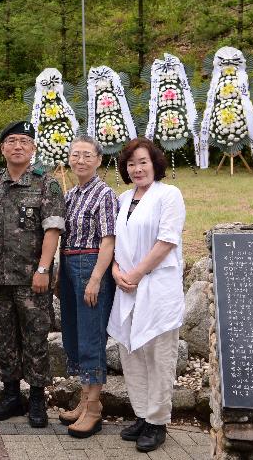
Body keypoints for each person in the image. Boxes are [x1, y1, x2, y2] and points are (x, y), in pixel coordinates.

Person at [0, 121, 65, 428]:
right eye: (11, 141)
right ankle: (10, 396)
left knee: (35, 340)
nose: (17, 146)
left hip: (33, 279)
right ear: (2, 148)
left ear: (33, 149)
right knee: (2, 339)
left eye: (24, 142)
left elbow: (53, 227)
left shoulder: (47, 183)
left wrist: (44, 268)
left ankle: (36, 399)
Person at [108, 137, 186, 453]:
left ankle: (157, 421)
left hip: (156, 288)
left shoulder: (169, 195)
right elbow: (115, 240)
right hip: (126, 287)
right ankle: (141, 414)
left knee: (159, 356)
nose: (137, 168)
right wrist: (116, 271)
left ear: (155, 163)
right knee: (132, 353)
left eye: (143, 162)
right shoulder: (124, 198)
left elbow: (166, 240)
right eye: (131, 163)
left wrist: (137, 274)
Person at [58, 136, 118, 438]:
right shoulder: (71, 195)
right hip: (68, 266)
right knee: (76, 334)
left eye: (86, 155)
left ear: (98, 160)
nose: (80, 160)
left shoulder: (104, 194)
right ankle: (83, 400)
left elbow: (109, 241)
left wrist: (96, 278)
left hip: (90, 266)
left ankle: (94, 408)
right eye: (75, 154)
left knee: (92, 335)